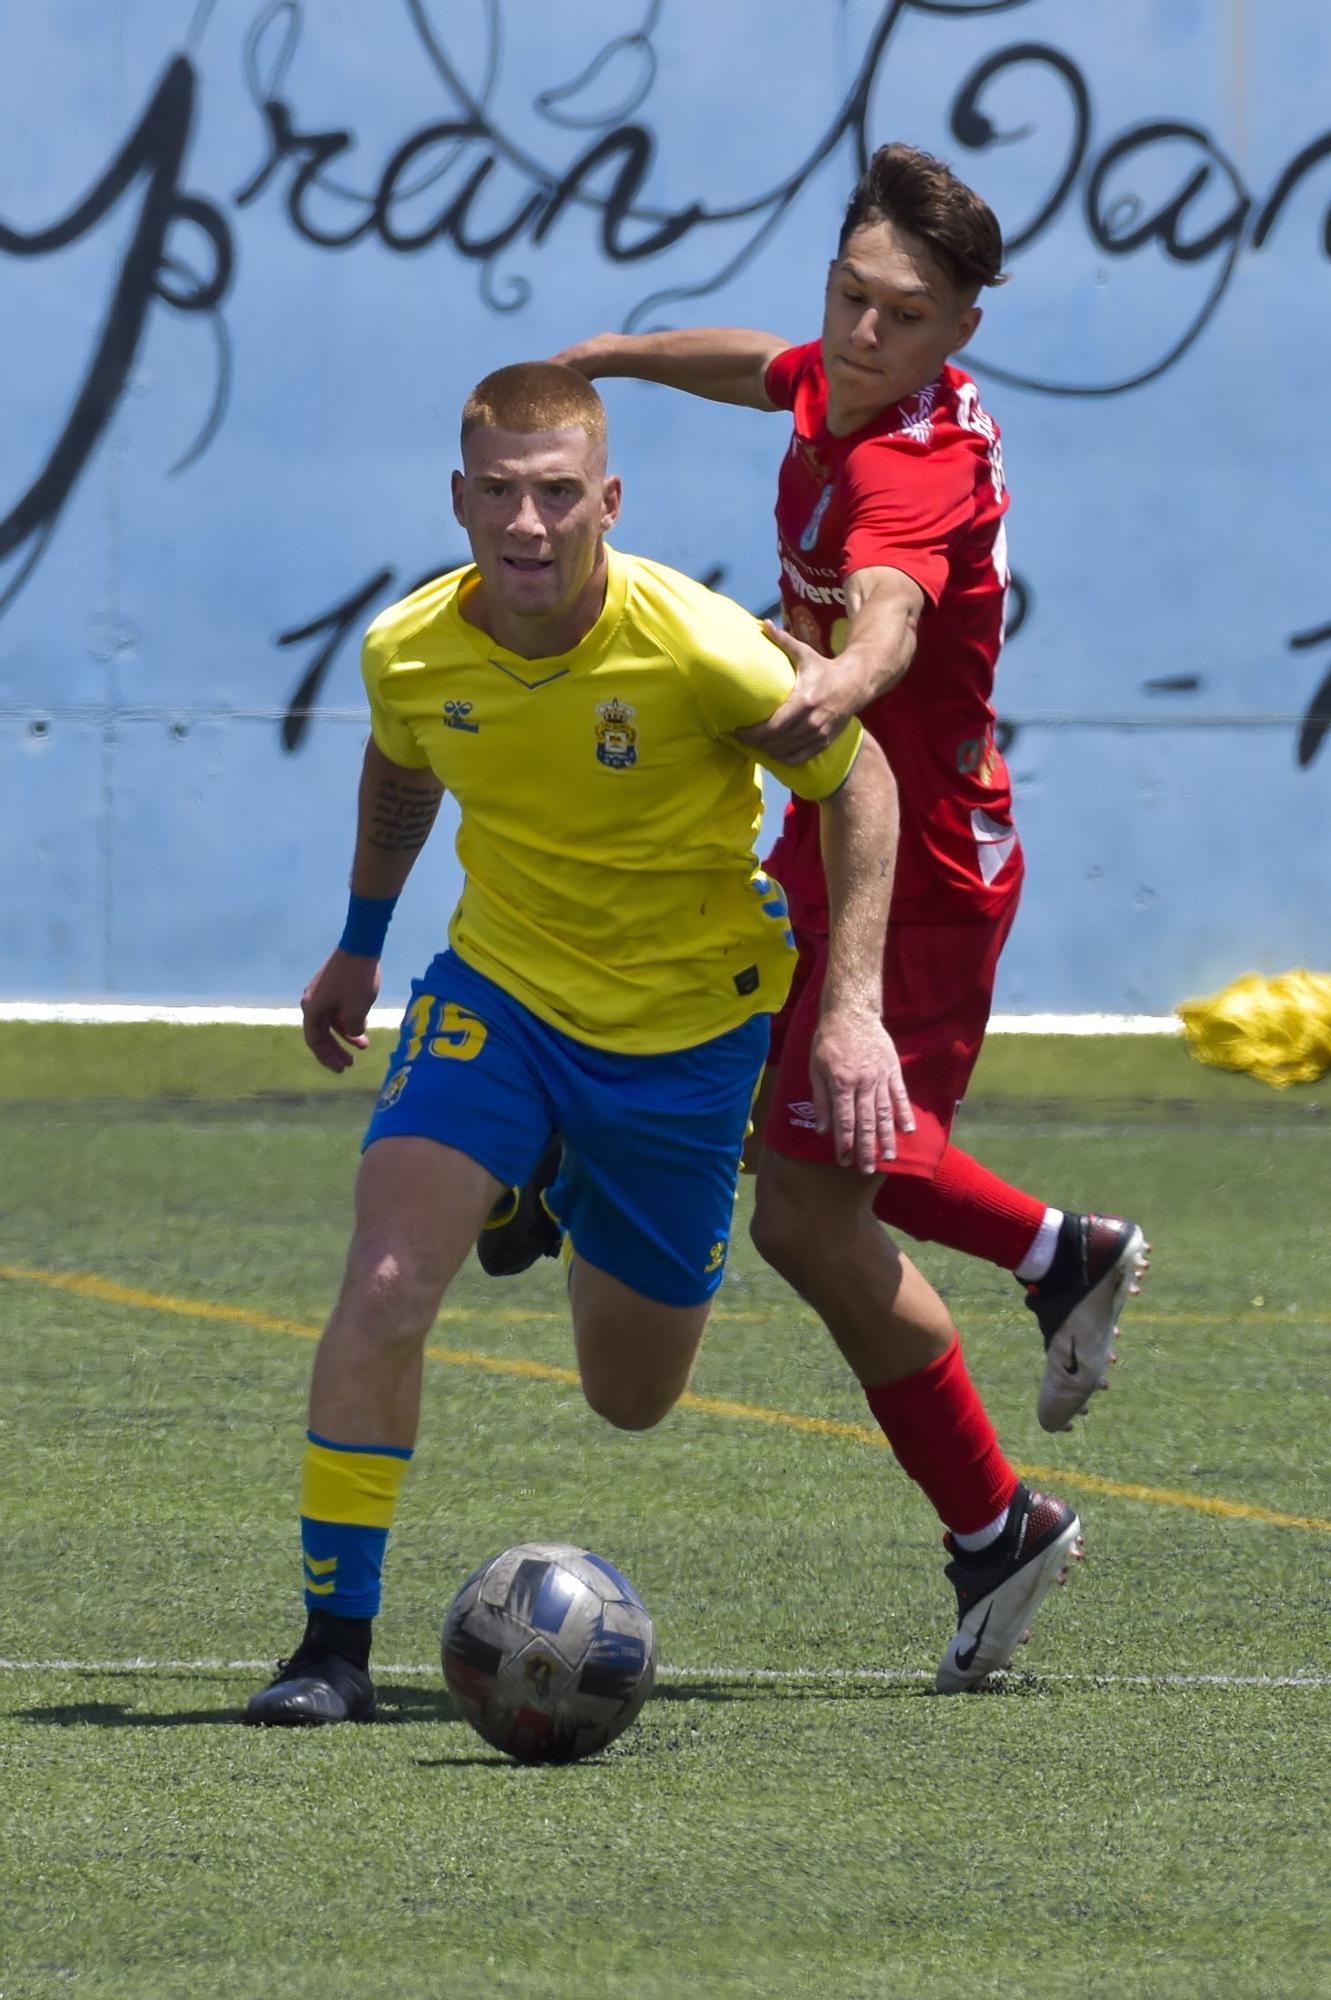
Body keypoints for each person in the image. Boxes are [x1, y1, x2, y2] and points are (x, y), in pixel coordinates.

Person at [246, 361, 912, 1725]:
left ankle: (546, 1182)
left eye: (558, 493)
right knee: (384, 1283)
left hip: (685, 1037)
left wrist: (848, 1009)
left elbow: (864, 784)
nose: (528, 522)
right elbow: (404, 761)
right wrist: (362, 939)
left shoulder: (701, 647)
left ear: (608, 499)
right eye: (499, 491)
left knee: (631, 1396)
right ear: (460, 498)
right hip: (500, 1001)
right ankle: (330, 1647)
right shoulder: (409, 647)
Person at [545, 143, 1148, 1439]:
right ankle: (1056, 1272)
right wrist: (608, 357)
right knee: (771, 1135)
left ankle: (1062, 1260)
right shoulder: (845, 379)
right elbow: (764, 367)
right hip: (836, 821)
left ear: (964, 330)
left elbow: (892, 608)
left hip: (921, 861)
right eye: (849, 293)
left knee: (819, 1181)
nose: (864, 331)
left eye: (905, 315)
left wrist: (842, 680)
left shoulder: (908, 469)